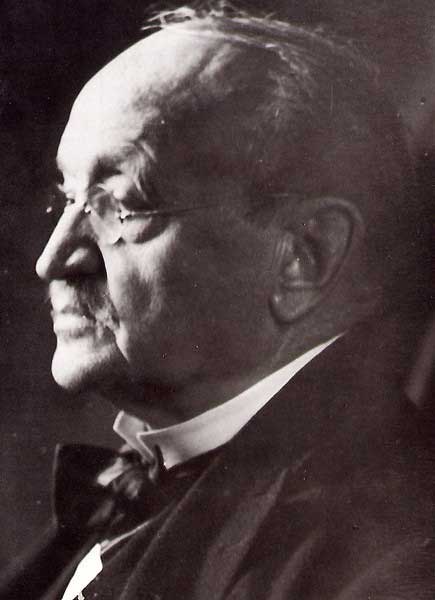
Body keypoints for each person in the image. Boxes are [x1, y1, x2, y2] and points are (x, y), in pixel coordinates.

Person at [29, 7, 435, 599]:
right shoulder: (144, 479)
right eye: (68, 198)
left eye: (118, 207)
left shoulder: (395, 564)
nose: (53, 259)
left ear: (303, 258)